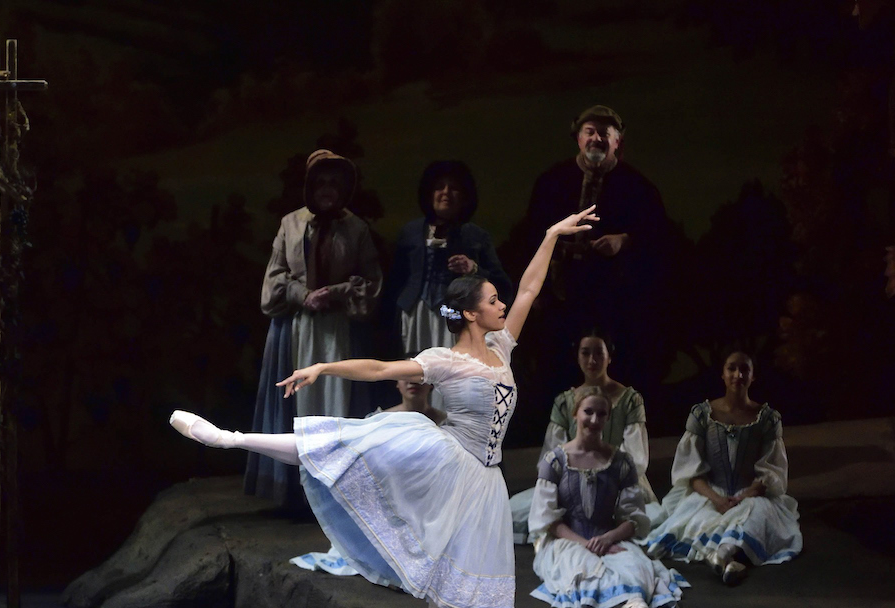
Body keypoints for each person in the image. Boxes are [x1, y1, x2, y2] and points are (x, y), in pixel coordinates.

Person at [170, 206, 599, 608]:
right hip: (443, 461)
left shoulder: (501, 348)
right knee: (343, 447)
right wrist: (323, 368)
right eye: (492, 301)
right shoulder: (442, 361)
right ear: (471, 313)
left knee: (441, 601)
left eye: (499, 300)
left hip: (480, 484)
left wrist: (549, 234)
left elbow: (531, 290)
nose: (501, 305)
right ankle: (232, 439)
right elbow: (377, 369)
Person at [244, 149, 383, 510]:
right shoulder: (291, 224)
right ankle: (296, 492)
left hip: (339, 332)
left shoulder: (356, 229)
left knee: (338, 404)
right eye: (319, 182)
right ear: (308, 186)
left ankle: (338, 492)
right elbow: (272, 283)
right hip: (297, 331)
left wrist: (336, 293)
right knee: (298, 406)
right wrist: (302, 295)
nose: (327, 189)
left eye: (334, 182)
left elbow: (371, 282)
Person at [521, 104, 669, 390]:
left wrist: (624, 240)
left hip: (616, 298)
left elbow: (661, 239)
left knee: (620, 367)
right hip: (561, 297)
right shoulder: (552, 183)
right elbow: (530, 238)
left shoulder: (638, 188)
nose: (596, 139)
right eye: (589, 132)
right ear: (578, 138)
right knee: (558, 370)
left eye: (604, 133)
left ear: (617, 141)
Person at [528, 387, 686, 608]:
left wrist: (608, 539)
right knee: (584, 570)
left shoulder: (621, 461)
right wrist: (587, 544)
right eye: (588, 412)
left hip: (608, 535)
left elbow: (633, 518)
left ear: (607, 419)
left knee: (635, 566)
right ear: (575, 414)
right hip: (568, 540)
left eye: (601, 414)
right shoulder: (555, 461)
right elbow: (550, 521)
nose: (594, 420)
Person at [642, 352, 803, 585]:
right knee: (701, 522)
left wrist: (745, 495)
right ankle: (732, 563)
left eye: (744, 370)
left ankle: (723, 554)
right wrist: (716, 499)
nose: (738, 375)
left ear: (753, 376)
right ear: (722, 374)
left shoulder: (766, 418)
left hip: (751, 493)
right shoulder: (702, 414)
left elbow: (772, 469)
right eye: (731, 369)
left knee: (755, 518)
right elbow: (691, 472)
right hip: (711, 492)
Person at [509, 329, 661, 543]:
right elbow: (554, 453)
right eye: (585, 353)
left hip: (618, 481)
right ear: (578, 356)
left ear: (609, 356)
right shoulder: (565, 401)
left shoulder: (629, 400)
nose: (592, 360)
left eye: (599, 353)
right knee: (519, 510)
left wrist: (607, 478)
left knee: (646, 518)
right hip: (574, 478)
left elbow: (636, 458)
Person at [290, 377, 444, 576]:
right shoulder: (382, 419)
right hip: (394, 488)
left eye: (419, 379)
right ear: (398, 383)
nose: (412, 383)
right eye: (407, 378)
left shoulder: (444, 421)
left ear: (431, 384)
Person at [387, 160, 512, 355]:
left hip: (452, 314)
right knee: (415, 367)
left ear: (464, 196)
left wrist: (474, 269)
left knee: (451, 364)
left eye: (453, 188)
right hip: (416, 314)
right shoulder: (410, 232)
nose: (445, 192)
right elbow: (395, 280)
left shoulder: (475, 235)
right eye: (439, 187)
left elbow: (502, 284)